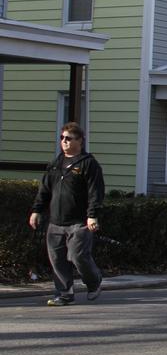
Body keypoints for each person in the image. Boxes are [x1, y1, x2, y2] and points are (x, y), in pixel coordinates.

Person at [28, 122, 105, 306]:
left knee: (78, 256)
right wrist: (37, 210)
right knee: (57, 259)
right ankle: (64, 293)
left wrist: (92, 215)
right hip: (55, 221)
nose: (64, 142)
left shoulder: (88, 164)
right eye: (62, 138)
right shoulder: (56, 163)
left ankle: (94, 281)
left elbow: (96, 192)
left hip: (79, 222)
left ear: (80, 141)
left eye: (69, 138)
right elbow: (45, 190)